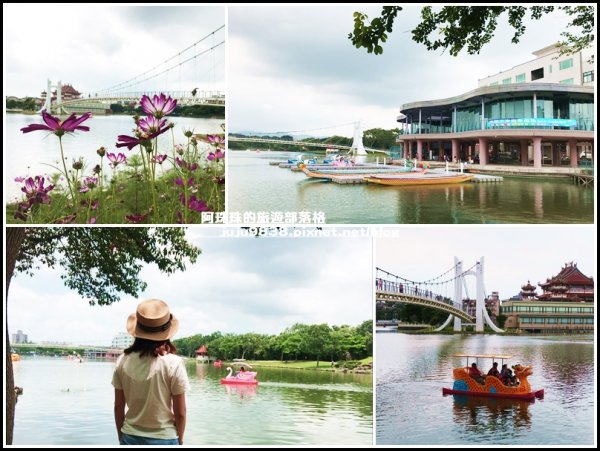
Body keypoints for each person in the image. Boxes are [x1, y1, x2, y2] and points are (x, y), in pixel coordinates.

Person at [112, 299, 190, 446]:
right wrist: (180, 439)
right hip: (165, 438)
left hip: (130, 436)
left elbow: (118, 407)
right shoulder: (174, 363)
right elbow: (180, 413)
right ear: (166, 333)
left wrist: (120, 436)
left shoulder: (122, 361)